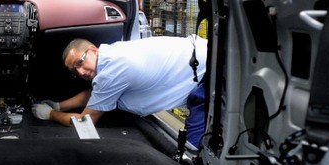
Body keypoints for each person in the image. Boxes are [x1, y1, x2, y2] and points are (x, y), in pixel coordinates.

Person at [32, 35, 207, 147]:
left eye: (80, 62)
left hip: (208, 70)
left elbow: (84, 122)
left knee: (191, 151)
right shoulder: (112, 52)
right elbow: (93, 94)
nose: (80, 72)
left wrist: (50, 114)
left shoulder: (111, 72)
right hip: (201, 56)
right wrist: (59, 105)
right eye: (74, 71)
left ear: (93, 50)